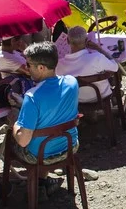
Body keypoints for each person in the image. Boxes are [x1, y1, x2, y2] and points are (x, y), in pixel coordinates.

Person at [11, 42, 79, 170]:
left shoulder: (32, 96)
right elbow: (52, 104)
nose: (27, 69)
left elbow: (23, 141)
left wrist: (15, 123)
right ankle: (43, 180)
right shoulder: (72, 82)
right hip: (70, 146)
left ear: (41, 68)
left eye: (28, 65)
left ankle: (29, 182)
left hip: (40, 156)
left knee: (10, 142)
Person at [55, 26, 119, 103]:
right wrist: (99, 49)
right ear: (86, 41)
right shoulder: (96, 58)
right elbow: (115, 67)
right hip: (100, 96)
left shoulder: (59, 64)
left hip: (74, 99)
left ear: (67, 41)